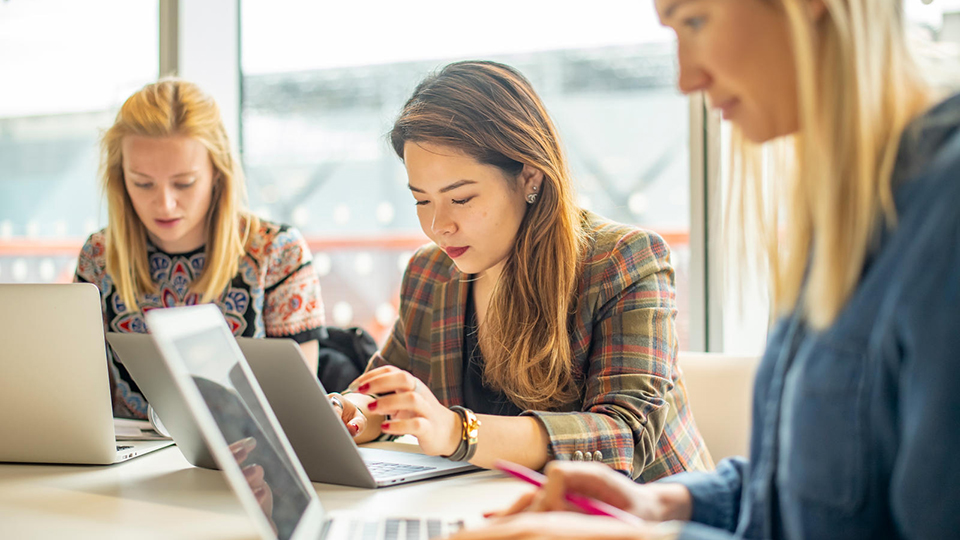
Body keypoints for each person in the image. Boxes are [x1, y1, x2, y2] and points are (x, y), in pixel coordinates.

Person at [449, 1, 960, 539]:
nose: (686, 78)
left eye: (695, 20)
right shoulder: (853, 208)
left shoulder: (944, 217)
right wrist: (668, 505)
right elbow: (812, 490)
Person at [331, 60, 712, 481]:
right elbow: (390, 393)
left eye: (460, 199)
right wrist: (352, 411)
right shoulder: (430, 274)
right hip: (508, 509)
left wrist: (458, 431)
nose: (439, 225)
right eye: (422, 201)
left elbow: (623, 437)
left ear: (529, 176)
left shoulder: (623, 260)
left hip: (647, 515)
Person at [75, 79, 325, 419]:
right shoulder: (99, 256)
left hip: (247, 464)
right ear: (121, 179)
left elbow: (297, 411)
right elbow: (80, 398)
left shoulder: (277, 252)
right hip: (128, 466)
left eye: (184, 183)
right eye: (142, 183)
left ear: (217, 174)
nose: (164, 203)